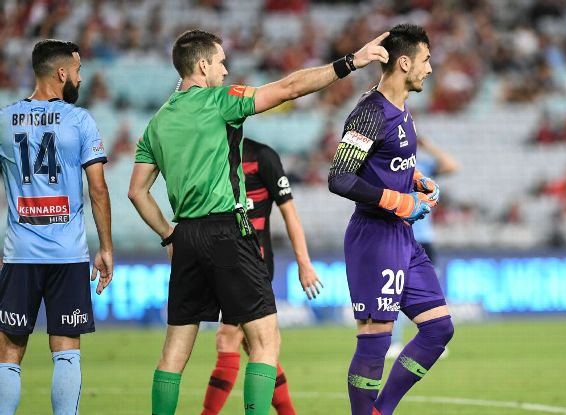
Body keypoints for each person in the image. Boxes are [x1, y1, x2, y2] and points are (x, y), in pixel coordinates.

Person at [127, 29, 388, 415]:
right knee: (265, 342)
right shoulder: (220, 101)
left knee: (173, 353)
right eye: (219, 62)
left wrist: (169, 235)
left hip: (186, 236)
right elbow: (288, 88)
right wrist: (350, 62)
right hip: (227, 232)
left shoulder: (157, 123)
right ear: (202, 65)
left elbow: (136, 192)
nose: (225, 68)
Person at [327, 24, 454, 415]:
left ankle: (380, 410)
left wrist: (414, 178)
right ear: (404, 62)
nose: (430, 69)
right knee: (376, 339)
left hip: (402, 236)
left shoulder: (402, 110)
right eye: (426, 60)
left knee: (438, 329)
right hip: (374, 237)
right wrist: (397, 199)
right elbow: (340, 177)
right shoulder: (370, 112)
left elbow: (384, 163)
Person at [0, 40, 113, 415]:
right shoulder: (79, 120)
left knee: (10, 354)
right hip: (68, 254)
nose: (79, 78)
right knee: (66, 353)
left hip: (19, 255)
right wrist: (106, 248)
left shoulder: (5, 119)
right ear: (62, 73)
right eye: (78, 71)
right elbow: (97, 188)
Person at [201, 137, 323, 415]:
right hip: (223, 261)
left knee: (228, 338)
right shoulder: (211, 150)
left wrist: (303, 262)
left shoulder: (262, 156)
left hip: (253, 263)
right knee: (256, 345)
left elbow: (289, 212)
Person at [386, 136, 457, 359]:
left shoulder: (422, 166)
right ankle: (394, 342)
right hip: (399, 236)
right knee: (395, 292)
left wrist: (429, 146)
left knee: (430, 291)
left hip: (424, 239)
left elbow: (452, 165)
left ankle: (434, 338)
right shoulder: (389, 167)